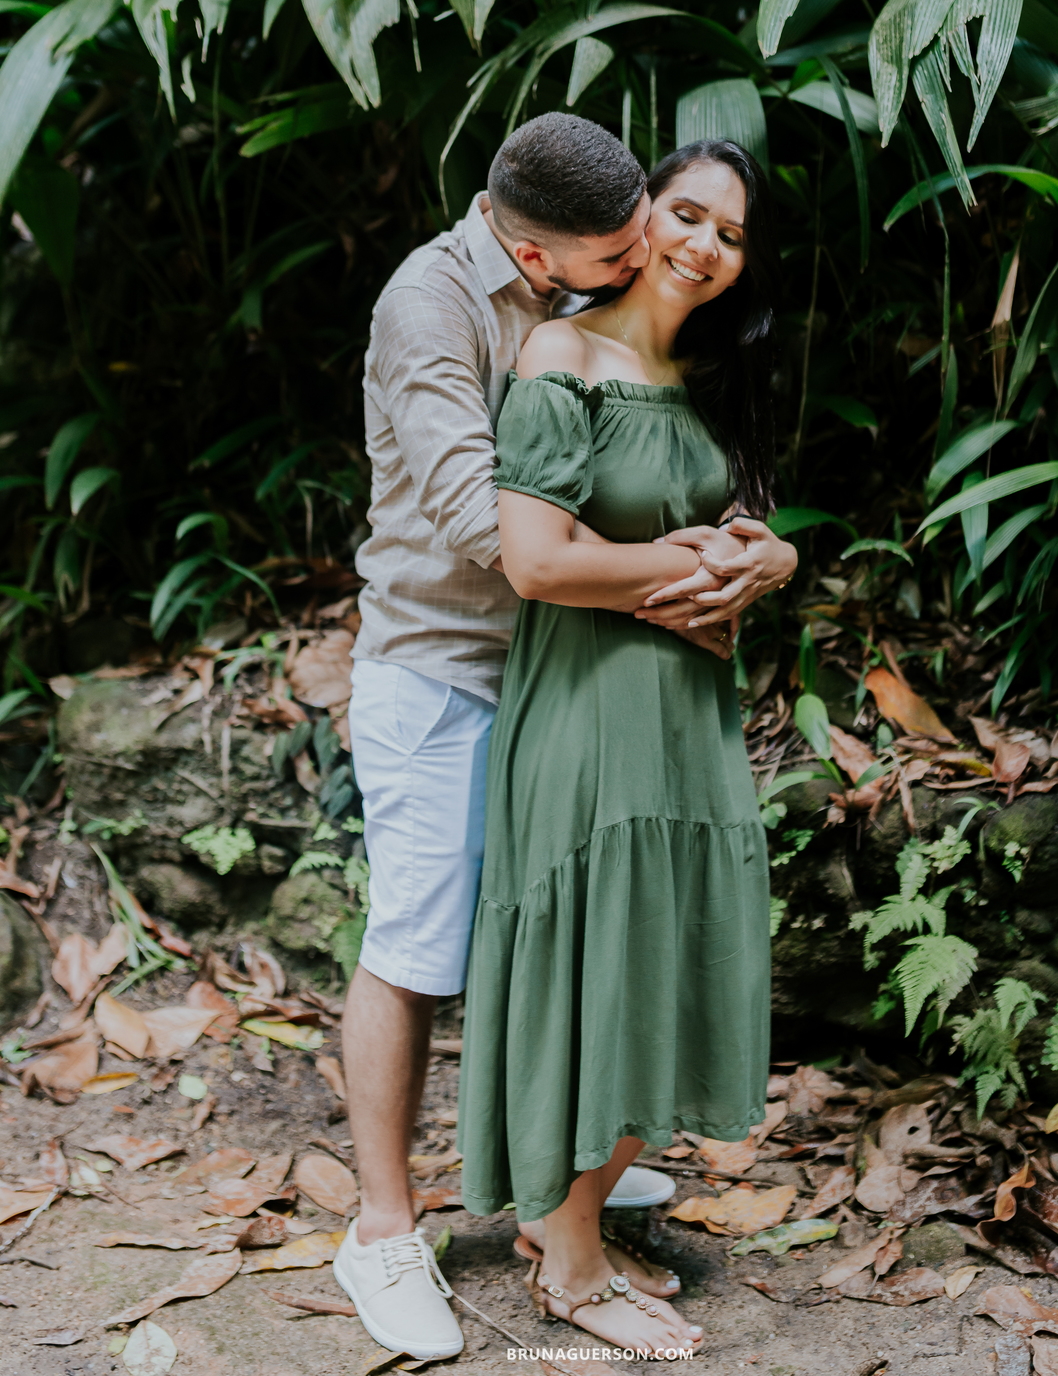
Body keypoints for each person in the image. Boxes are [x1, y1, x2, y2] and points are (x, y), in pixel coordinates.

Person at [333, 116, 797, 1361]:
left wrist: (759, 559)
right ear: (528, 245)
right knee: (419, 939)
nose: (651, 251)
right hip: (443, 663)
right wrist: (672, 577)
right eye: (625, 242)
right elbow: (500, 533)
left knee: (569, 933)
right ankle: (383, 1225)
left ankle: (563, 1173)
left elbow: (681, 484)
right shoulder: (432, 306)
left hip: (572, 664)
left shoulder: (641, 321)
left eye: (654, 228)